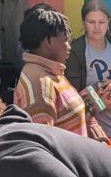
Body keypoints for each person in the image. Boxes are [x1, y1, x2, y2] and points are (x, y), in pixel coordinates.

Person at [15, 8, 105, 140]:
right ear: (49, 41)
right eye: (65, 40)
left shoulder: (52, 72)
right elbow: (42, 146)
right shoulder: (40, 85)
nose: (69, 46)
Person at [65, 0, 111, 144]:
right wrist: (99, 99)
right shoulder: (76, 51)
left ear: (108, 22)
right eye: (91, 22)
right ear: (83, 22)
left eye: (102, 22)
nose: (97, 27)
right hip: (98, 135)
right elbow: (71, 98)